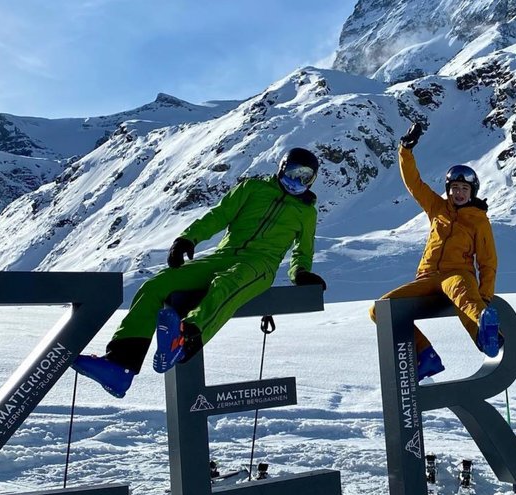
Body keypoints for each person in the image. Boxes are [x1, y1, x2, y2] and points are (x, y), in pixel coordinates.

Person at [73, 147, 327, 398]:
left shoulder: (306, 212)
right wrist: (188, 239)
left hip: (260, 264)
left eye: (306, 177)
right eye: (295, 172)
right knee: (158, 285)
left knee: (227, 284)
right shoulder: (253, 188)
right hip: (223, 255)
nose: (298, 181)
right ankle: (119, 365)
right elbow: (219, 215)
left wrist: (301, 273)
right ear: (282, 167)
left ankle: (185, 340)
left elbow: (303, 251)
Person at [369, 122, 500, 381]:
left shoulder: (478, 220)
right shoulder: (437, 208)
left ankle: (486, 333)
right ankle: (425, 355)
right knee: (380, 310)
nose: (459, 193)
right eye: (454, 188)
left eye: (464, 189)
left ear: (472, 192)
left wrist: (485, 295)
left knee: (465, 294)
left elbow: (487, 261)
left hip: (457, 274)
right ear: (448, 190)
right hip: (427, 279)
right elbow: (414, 184)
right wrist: (405, 150)